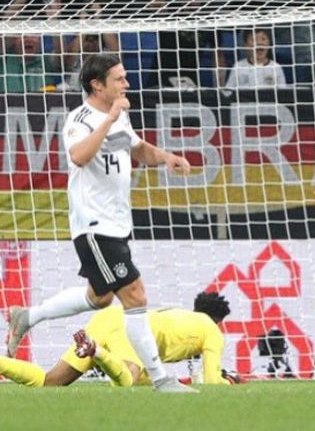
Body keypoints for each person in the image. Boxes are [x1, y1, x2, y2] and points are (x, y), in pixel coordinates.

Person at [5, 53, 196, 393]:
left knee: (101, 297)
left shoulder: (118, 117)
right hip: (94, 225)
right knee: (135, 296)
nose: (127, 83)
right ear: (97, 85)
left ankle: (28, 316)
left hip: (116, 223)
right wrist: (109, 118)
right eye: (119, 79)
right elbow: (79, 156)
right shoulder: (80, 119)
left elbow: (137, 149)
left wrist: (166, 157)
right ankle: (162, 380)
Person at [0, 292, 235, 388]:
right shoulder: (212, 330)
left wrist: (183, 383)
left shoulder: (182, 315)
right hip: (127, 329)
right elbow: (213, 382)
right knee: (127, 383)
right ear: (219, 320)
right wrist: (230, 383)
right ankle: (97, 352)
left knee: (49, 382)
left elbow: (150, 378)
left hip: (108, 317)